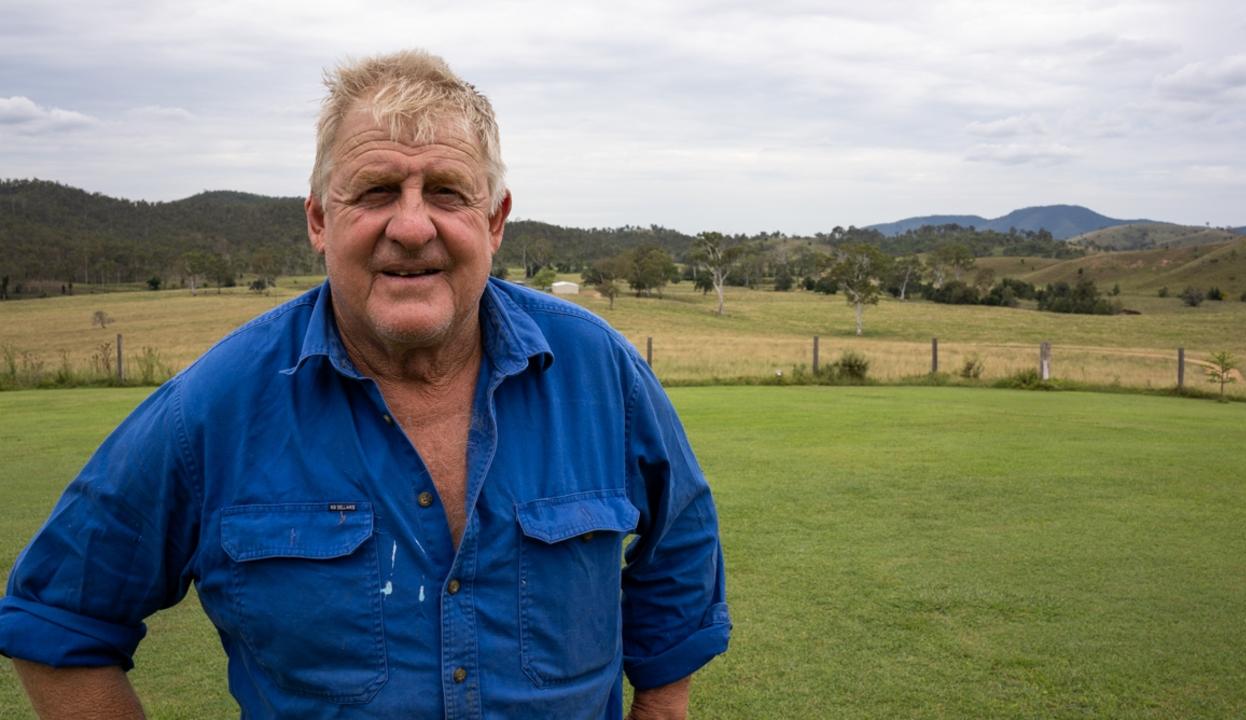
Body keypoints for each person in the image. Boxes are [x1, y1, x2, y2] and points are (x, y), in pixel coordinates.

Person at [0, 49, 730, 719]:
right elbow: (58, 618)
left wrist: (661, 702)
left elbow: (681, 542)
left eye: (447, 191)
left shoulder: (600, 371)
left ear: (496, 220)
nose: (412, 227)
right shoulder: (216, 404)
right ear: (319, 219)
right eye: (377, 190)